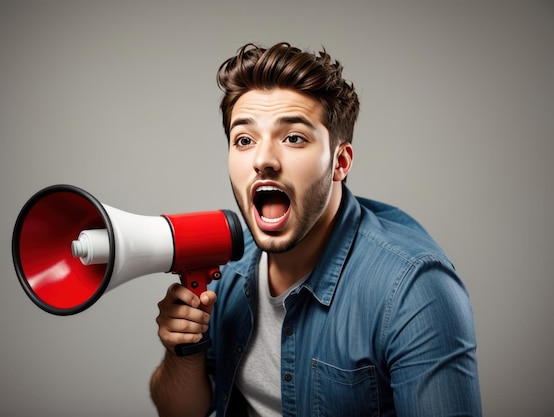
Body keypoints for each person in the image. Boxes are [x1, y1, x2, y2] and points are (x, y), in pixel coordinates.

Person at [150, 42, 482, 417]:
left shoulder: (413, 289)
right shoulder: (226, 266)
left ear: (340, 161)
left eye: (293, 138)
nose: (263, 160)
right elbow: (178, 412)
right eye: (244, 139)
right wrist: (184, 350)